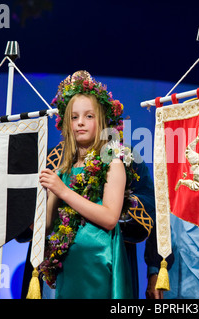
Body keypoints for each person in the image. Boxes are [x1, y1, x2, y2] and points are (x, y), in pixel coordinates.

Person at [38, 70, 138, 298]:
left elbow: (110, 218)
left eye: (88, 116)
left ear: (101, 121)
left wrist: (63, 190)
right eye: (74, 117)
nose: (80, 123)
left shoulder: (112, 163)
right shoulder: (63, 169)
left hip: (99, 263)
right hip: (69, 265)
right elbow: (46, 224)